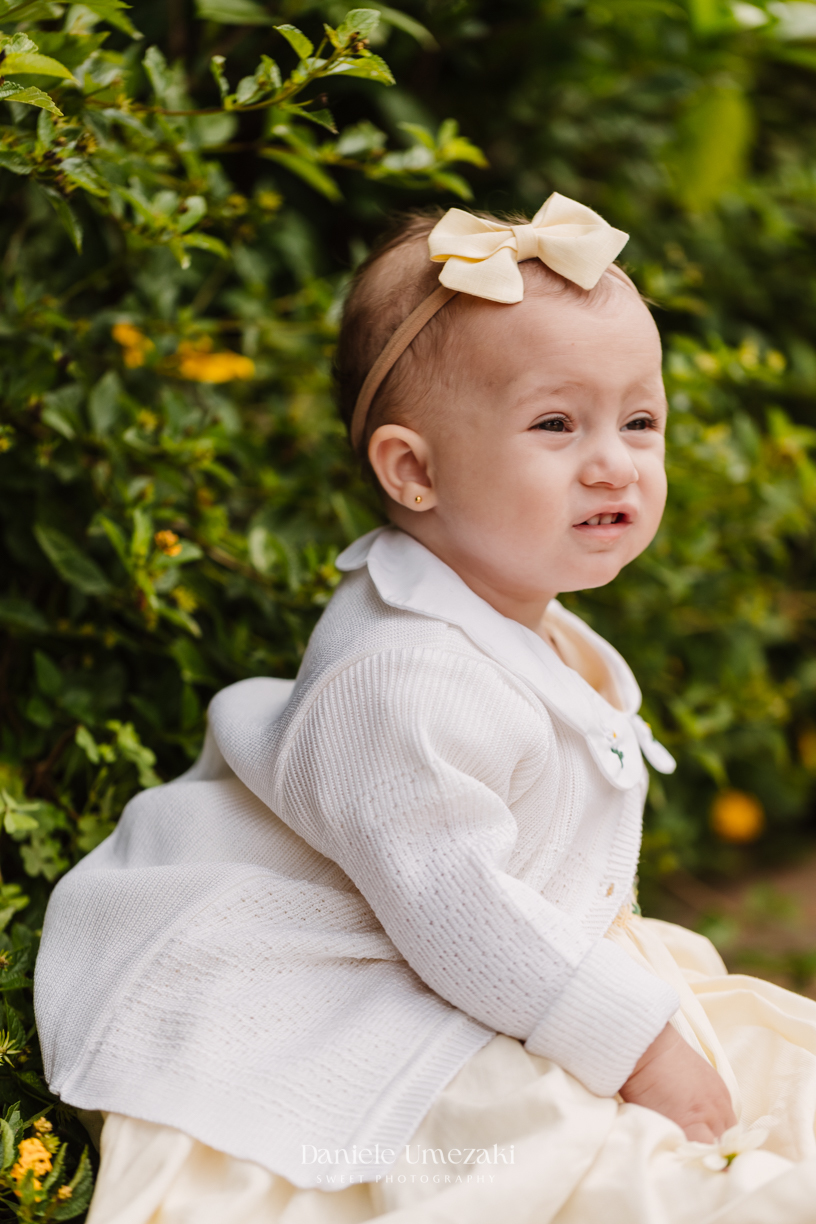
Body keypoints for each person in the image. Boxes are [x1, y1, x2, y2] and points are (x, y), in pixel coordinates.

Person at [34, 195, 816, 1223]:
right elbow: (458, 911)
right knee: (547, 1154)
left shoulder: (502, 613)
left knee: (766, 1067)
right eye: (556, 423)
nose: (614, 460)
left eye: (640, 420)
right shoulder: (405, 676)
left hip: (486, 950)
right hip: (340, 982)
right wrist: (640, 1050)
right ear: (413, 469)